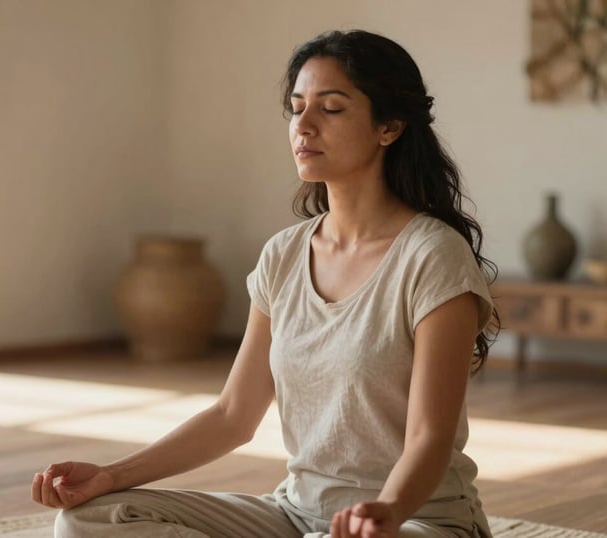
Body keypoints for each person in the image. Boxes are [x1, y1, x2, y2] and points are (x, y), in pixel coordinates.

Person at [31, 29, 499, 538]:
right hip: (296, 517)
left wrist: (385, 510)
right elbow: (234, 415)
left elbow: (429, 437)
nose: (305, 126)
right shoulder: (283, 255)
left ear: (388, 126)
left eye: (332, 108)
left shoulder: (433, 257)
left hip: (415, 521)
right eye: (297, 108)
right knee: (86, 520)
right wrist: (110, 476)